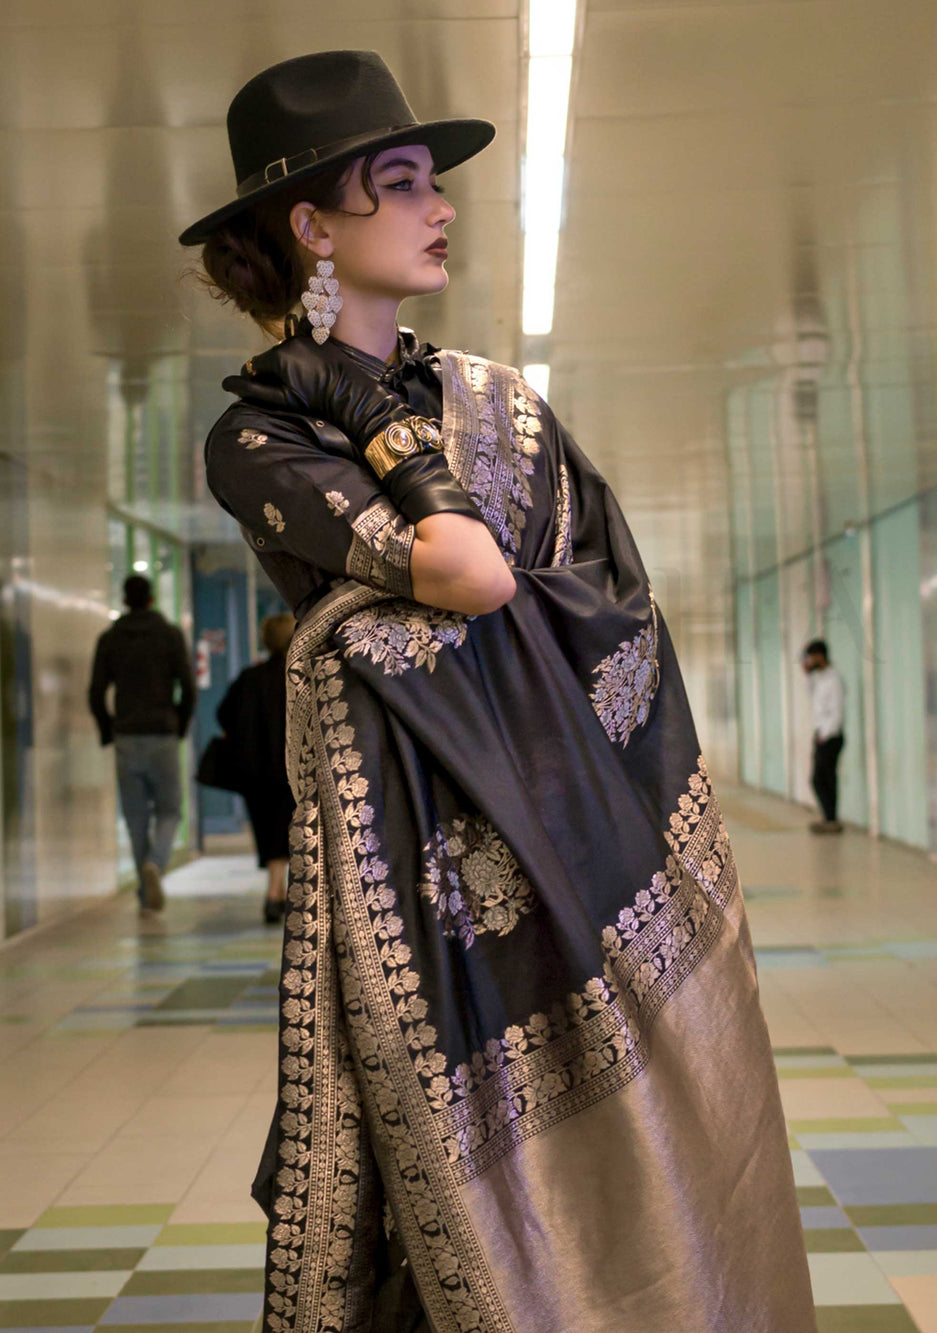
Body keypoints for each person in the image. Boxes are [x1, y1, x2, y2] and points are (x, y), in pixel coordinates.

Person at [180, 50, 816, 1333]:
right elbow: (472, 573)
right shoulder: (258, 436)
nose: (441, 206)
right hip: (417, 878)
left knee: (648, 1150)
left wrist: (378, 434)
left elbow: (602, 599)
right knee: (432, 1207)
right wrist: (361, 410)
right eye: (402, 183)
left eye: (434, 182)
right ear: (313, 225)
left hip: (578, 831)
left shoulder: (503, 405)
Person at [88, 574, 194, 911]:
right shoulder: (170, 636)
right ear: (151, 600)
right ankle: (155, 866)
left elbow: (95, 691)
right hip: (162, 733)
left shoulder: (111, 638)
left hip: (127, 737)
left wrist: (108, 730)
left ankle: (144, 890)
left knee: (135, 818)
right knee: (169, 811)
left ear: (124, 601)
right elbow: (188, 688)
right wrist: (179, 724)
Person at [217, 612, 297, 924]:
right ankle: (283, 893)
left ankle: (274, 892)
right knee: (293, 832)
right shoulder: (304, 676)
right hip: (295, 773)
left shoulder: (250, 679)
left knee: (270, 834)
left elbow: (225, 715)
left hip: (258, 775)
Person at [802, 637, 846, 834]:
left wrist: (825, 735)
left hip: (831, 736)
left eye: (811, 657)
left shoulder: (834, 679)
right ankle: (829, 818)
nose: (809, 661)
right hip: (821, 733)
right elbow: (810, 695)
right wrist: (807, 674)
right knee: (821, 779)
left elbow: (837, 711)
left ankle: (831, 819)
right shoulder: (818, 678)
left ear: (821, 656)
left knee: (823, 779)